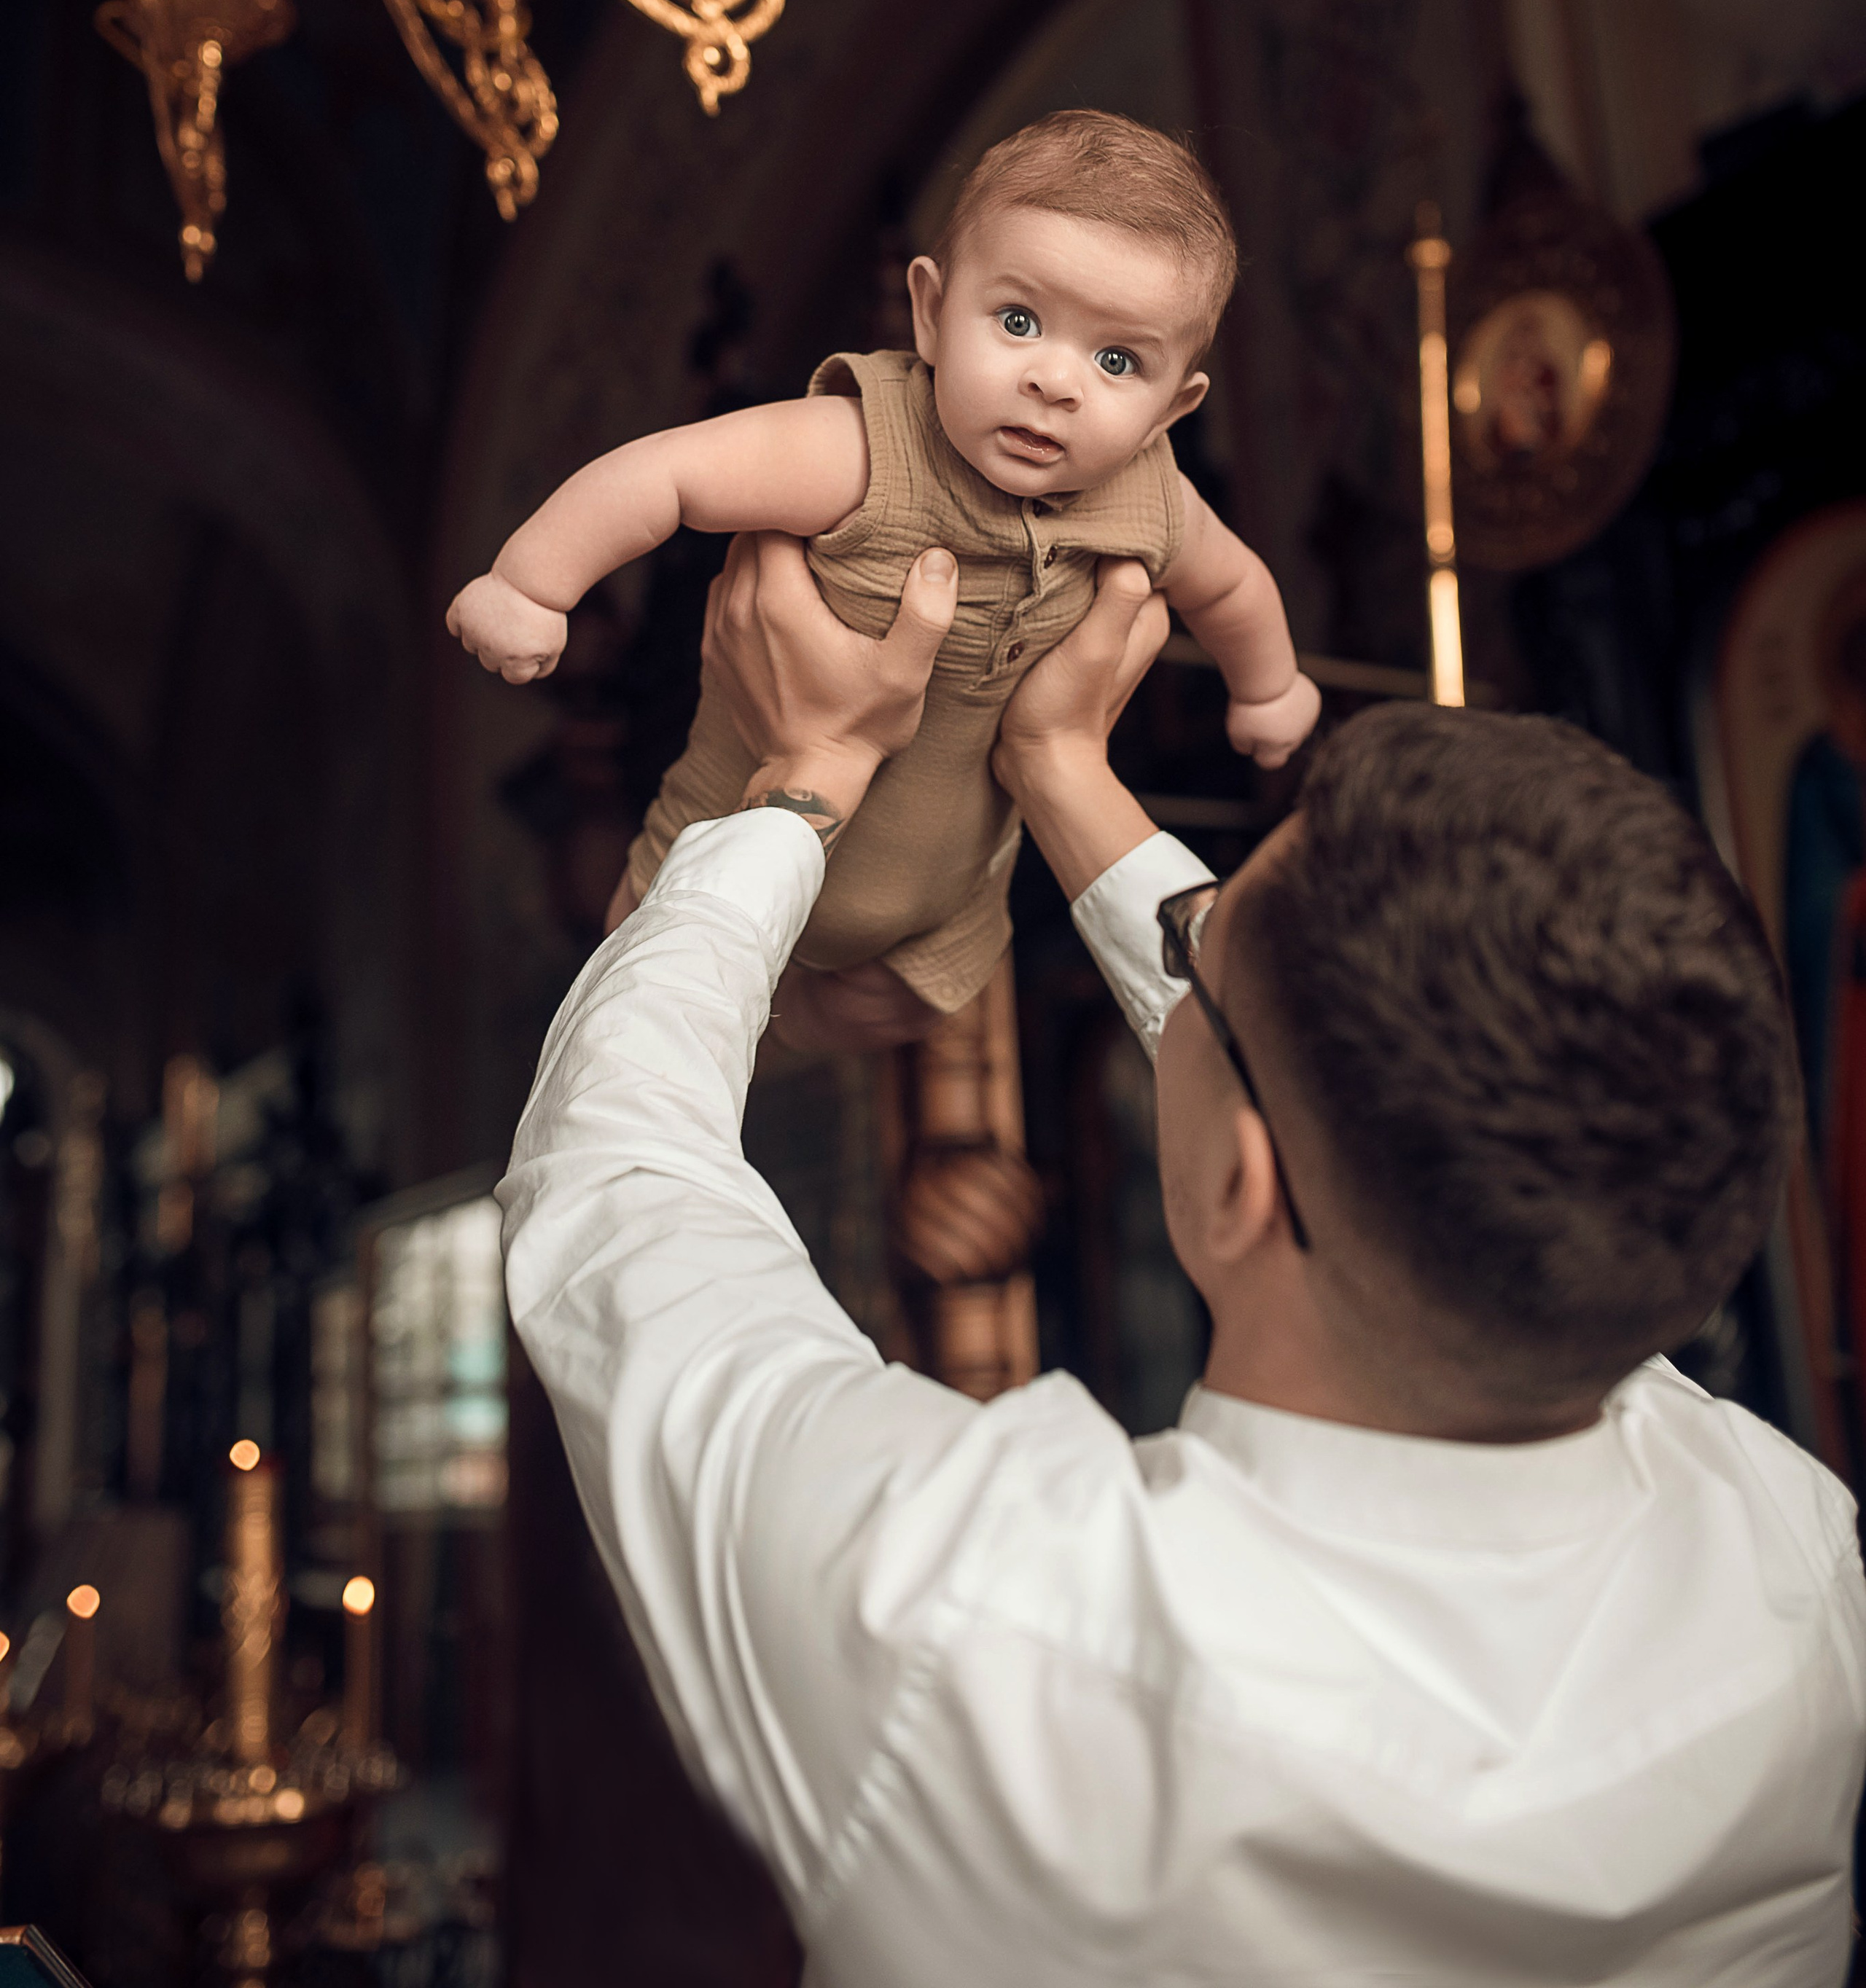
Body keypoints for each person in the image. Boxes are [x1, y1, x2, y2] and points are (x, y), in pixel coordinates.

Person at [499, 534, 1866, 1988]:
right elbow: (1364, 1099)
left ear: (1233, 1188)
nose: (1193, 961)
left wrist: (804, 774)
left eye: (1210, 963)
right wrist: (1063, 767)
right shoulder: (1782, 1548)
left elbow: (616, 1179)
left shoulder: (984, 1623)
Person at [449, 110, 1319, 1028]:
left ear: (1169, 409)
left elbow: (1230, 585)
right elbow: (668, 475)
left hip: (944, 909)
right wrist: (531, 585)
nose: (1055, 381)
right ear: (932, 313)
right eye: (1018, 320)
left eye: (1117, 359)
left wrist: (1267, 686)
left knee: (911, 1011)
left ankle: (814, 1024)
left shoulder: (1151, 497)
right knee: (641, 985)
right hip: (722, 834)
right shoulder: (862, 446)